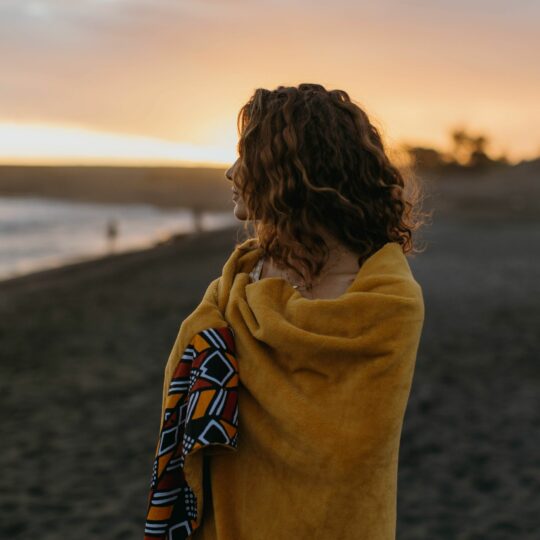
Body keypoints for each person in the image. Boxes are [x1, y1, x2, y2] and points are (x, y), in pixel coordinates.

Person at [144, 83, 428, 540]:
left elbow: (348, 457)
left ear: (290, 172)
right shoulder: (235, 286)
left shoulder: (386, 307)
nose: (230, 172)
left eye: (245, 155)